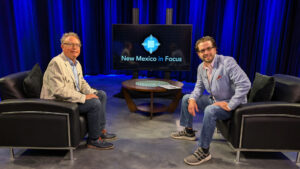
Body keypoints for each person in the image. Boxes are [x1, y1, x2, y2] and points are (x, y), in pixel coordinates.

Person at [171, 36, 251, 165]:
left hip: (232, 105)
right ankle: (189, 131)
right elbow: (198, 87)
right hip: (215, 100)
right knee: (186, 98)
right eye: (202, 51)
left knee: (210, 110)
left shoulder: (227, 62)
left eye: (209, 49)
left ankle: (204, 150)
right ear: (198, 54)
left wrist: (231, 104)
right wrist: (192, 99)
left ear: (215, 49)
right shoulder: (201, 67)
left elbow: (245, 84)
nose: (206, 53)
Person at [41, 32, 116, 150]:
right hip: (57, 103)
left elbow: (81, 83)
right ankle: (93, 140)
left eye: (77, 45)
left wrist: (92, 92)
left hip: (69, 99)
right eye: (70, 44)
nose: (74, 47)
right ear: (62, 46)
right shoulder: (56, 63)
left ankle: (100, 130)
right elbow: (58, 91)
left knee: (101, 95)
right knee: (94, 104)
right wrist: (84, 97)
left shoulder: (76, 63)